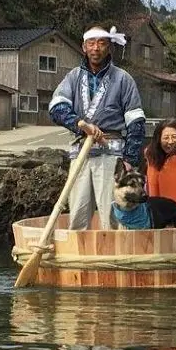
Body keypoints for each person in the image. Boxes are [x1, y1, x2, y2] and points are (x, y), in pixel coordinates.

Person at [49, 25, 146, 230]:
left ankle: (112, 257)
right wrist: (79, 124)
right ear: (84, 47)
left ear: (109, 47)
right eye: (91, 43)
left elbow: (136, 122)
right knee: (77, 212)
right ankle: (77, 259)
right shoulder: (73, 77)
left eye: (101, 43)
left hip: (111, 154)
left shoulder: (123, 78)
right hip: (81, 153)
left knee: (111, 213)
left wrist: (129, 159)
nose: (96, 48)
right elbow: (56, 106)